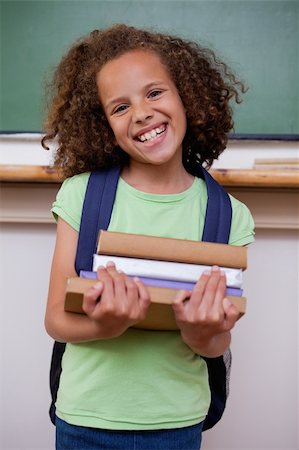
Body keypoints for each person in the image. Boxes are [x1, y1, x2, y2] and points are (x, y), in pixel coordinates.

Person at [42, 24, 254, 450]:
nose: (141, 113)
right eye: (120, 107)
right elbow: (55, 320)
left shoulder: (229, 215)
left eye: (154, 93)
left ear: (186, 97)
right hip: (86, 421)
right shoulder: (82, 196)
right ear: (103, 125)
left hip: (177, 424)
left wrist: (200, 332)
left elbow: (217, 342)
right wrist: (107, 323)